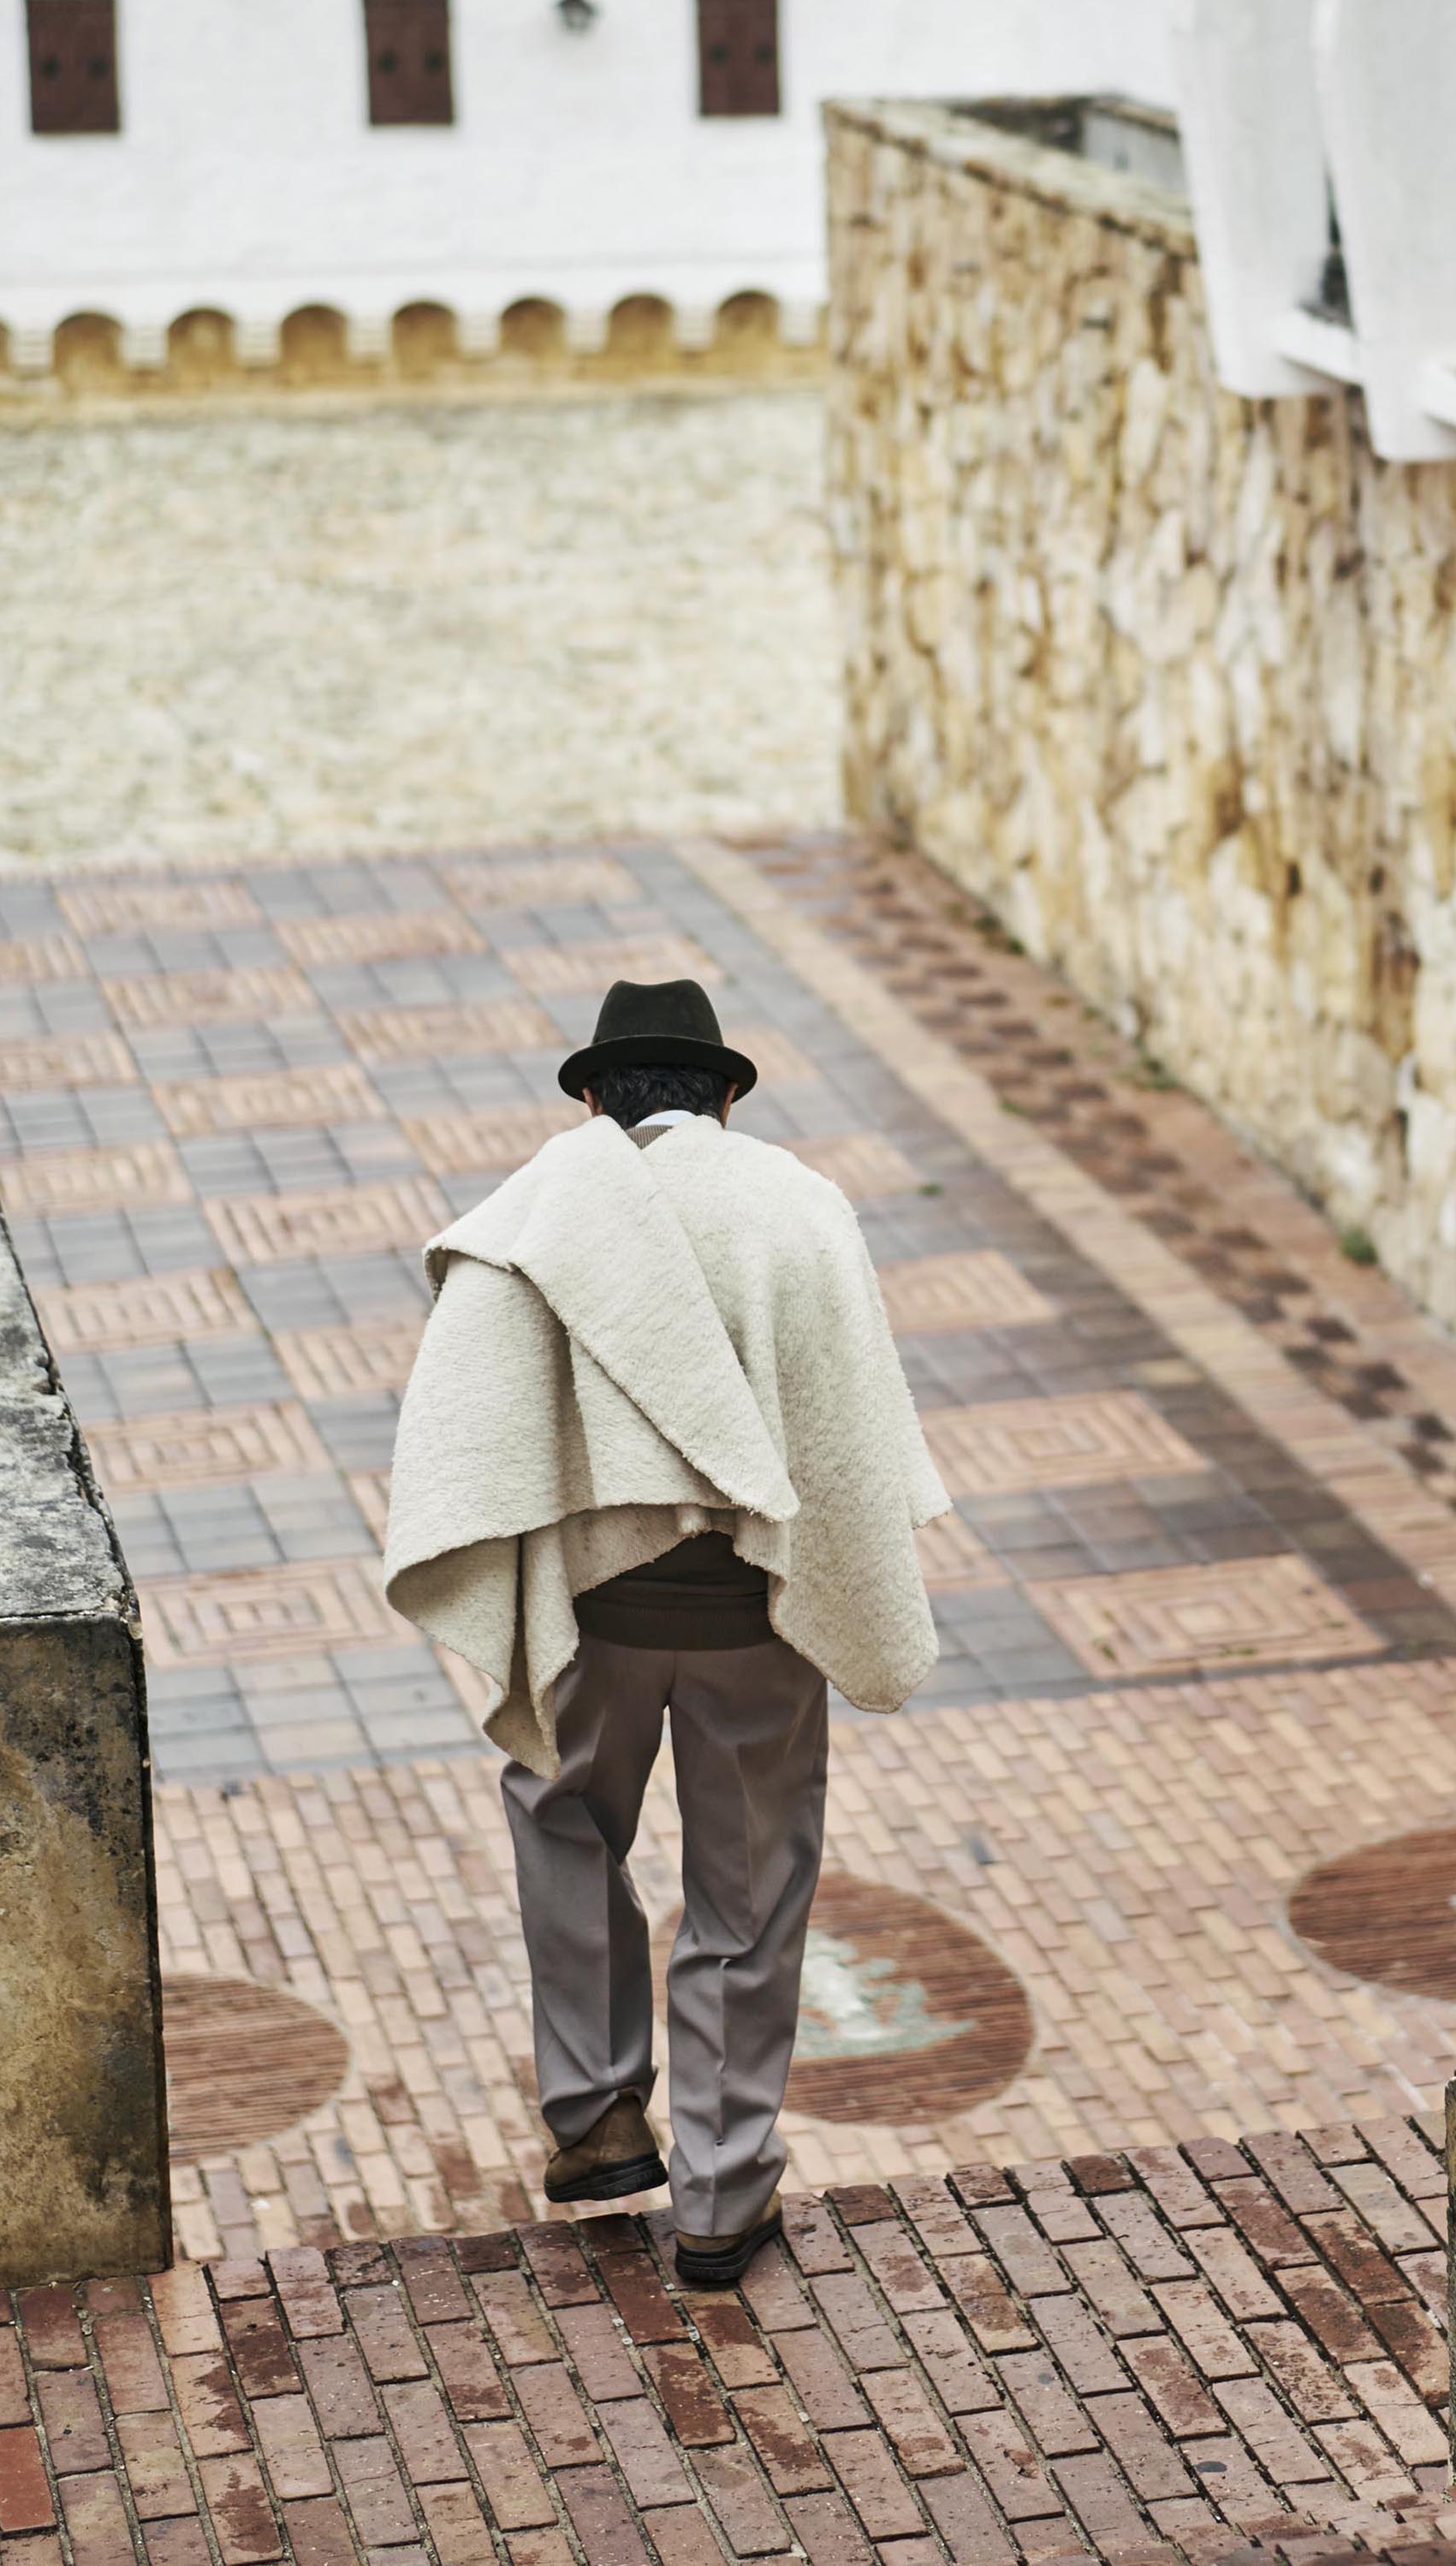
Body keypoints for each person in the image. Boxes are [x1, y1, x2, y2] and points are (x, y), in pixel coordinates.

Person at [383, 975, 947, 2283]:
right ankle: (721, 2198)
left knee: (562, 1827)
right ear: (728, 1097)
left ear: (591, 1097)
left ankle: (593, 2120)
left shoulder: (531, 1210)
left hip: (586, 1618)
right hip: (759, 1620)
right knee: (747, 1901)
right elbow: (849, 1420)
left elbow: (477, 1422)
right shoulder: (795, 1205)